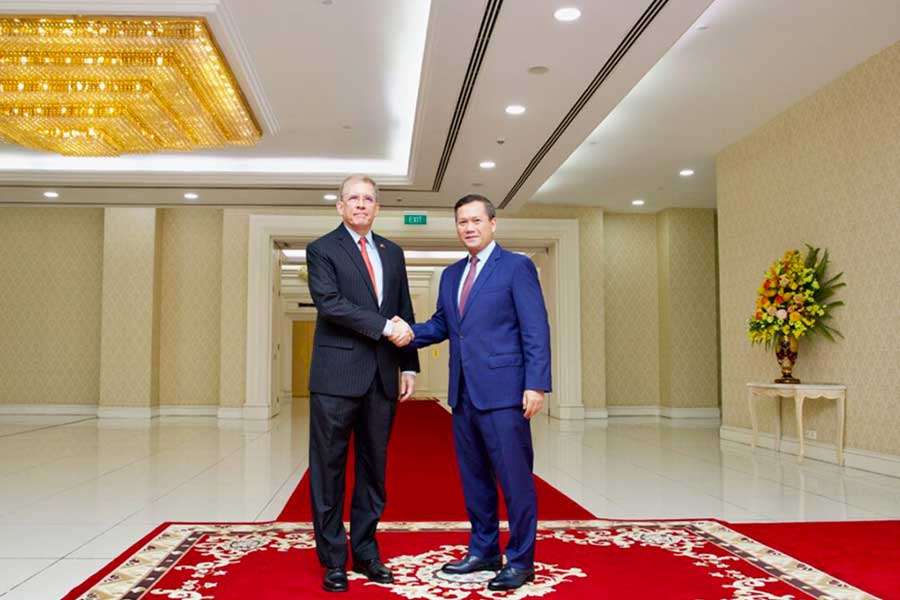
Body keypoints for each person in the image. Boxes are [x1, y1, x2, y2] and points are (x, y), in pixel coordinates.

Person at [395, 194, 551, 591]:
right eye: (462, 221)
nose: (469, 228)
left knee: (515, 479)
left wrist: (536, 383)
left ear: (492, 224)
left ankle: (520, 560)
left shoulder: (517, 267)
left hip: (505, 393)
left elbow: (535, 328)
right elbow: (444, 325)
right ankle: (483, 549)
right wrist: (407, 333)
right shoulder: (451, 275)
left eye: (476, 220)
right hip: (463, 394)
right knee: (475, 477)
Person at [305, 174, 419, 593]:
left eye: (368, 199)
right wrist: (384, 326)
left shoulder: (393, 252)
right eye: (352, 198)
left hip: (383, 378)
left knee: (374, 471)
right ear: (339, 206)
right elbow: (331, 304)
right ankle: (334, 559)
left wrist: (408, 365)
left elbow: (403, 309)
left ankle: (367, 552)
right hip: (336, 378)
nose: (360, 204)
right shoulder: (321, 250)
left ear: (377, 207)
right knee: (329, 471)